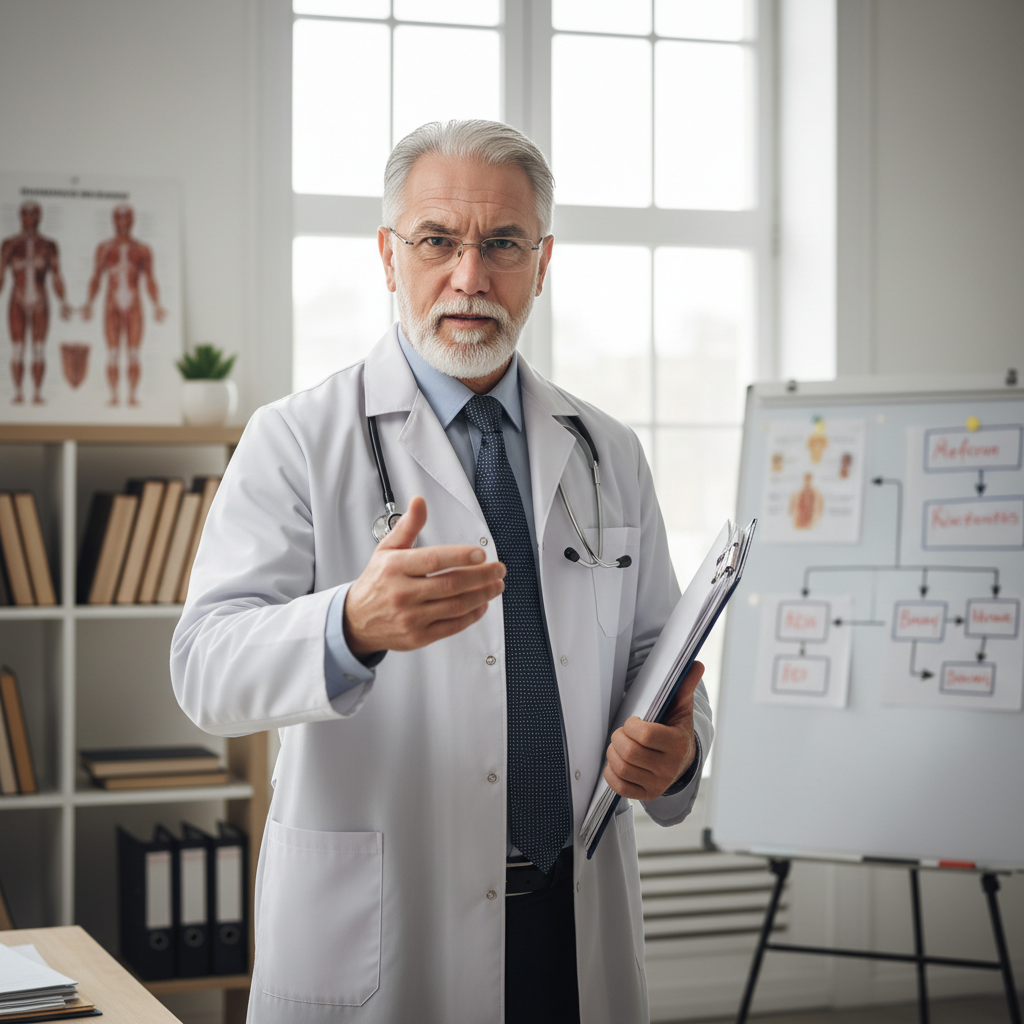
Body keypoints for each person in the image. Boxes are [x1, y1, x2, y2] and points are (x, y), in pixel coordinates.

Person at [171, 120, 713, 1024]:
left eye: (503, 244)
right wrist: (348, 625)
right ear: (390, 256)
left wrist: (678, 749)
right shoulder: (298, 440)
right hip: (389, 930)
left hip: (569, 922)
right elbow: (204, 670)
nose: (471, 277)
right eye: (437, 241)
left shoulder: (607, 450)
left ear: (542, 262)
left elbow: (664, 659)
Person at [81, 204, 166, 406]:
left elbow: (150, 279)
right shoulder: (105, 248)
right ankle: (114, 395)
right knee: (112, 353)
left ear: (132, 221)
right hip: (112, 305)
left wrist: (156, 304)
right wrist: (89, 303)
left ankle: (132, 395)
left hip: (134, 305)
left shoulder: (142, 250)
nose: (122, 223)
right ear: (113, 221)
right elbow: (96, 278)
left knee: (134, 353)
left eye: (126, 218)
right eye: (119, 219)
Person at [0, 201, 72, 404]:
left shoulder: (49, 245)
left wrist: (63, 301)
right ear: (20, 216)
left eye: (34, 215)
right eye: (26, 215)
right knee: (18, 348)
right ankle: (18, 393)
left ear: (40, 217)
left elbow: (57, 275)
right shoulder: (10, 244)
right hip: (18, 298)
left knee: (39, 348)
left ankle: (37, 393)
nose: (30, 219)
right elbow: (1, 274)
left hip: (41, 299)